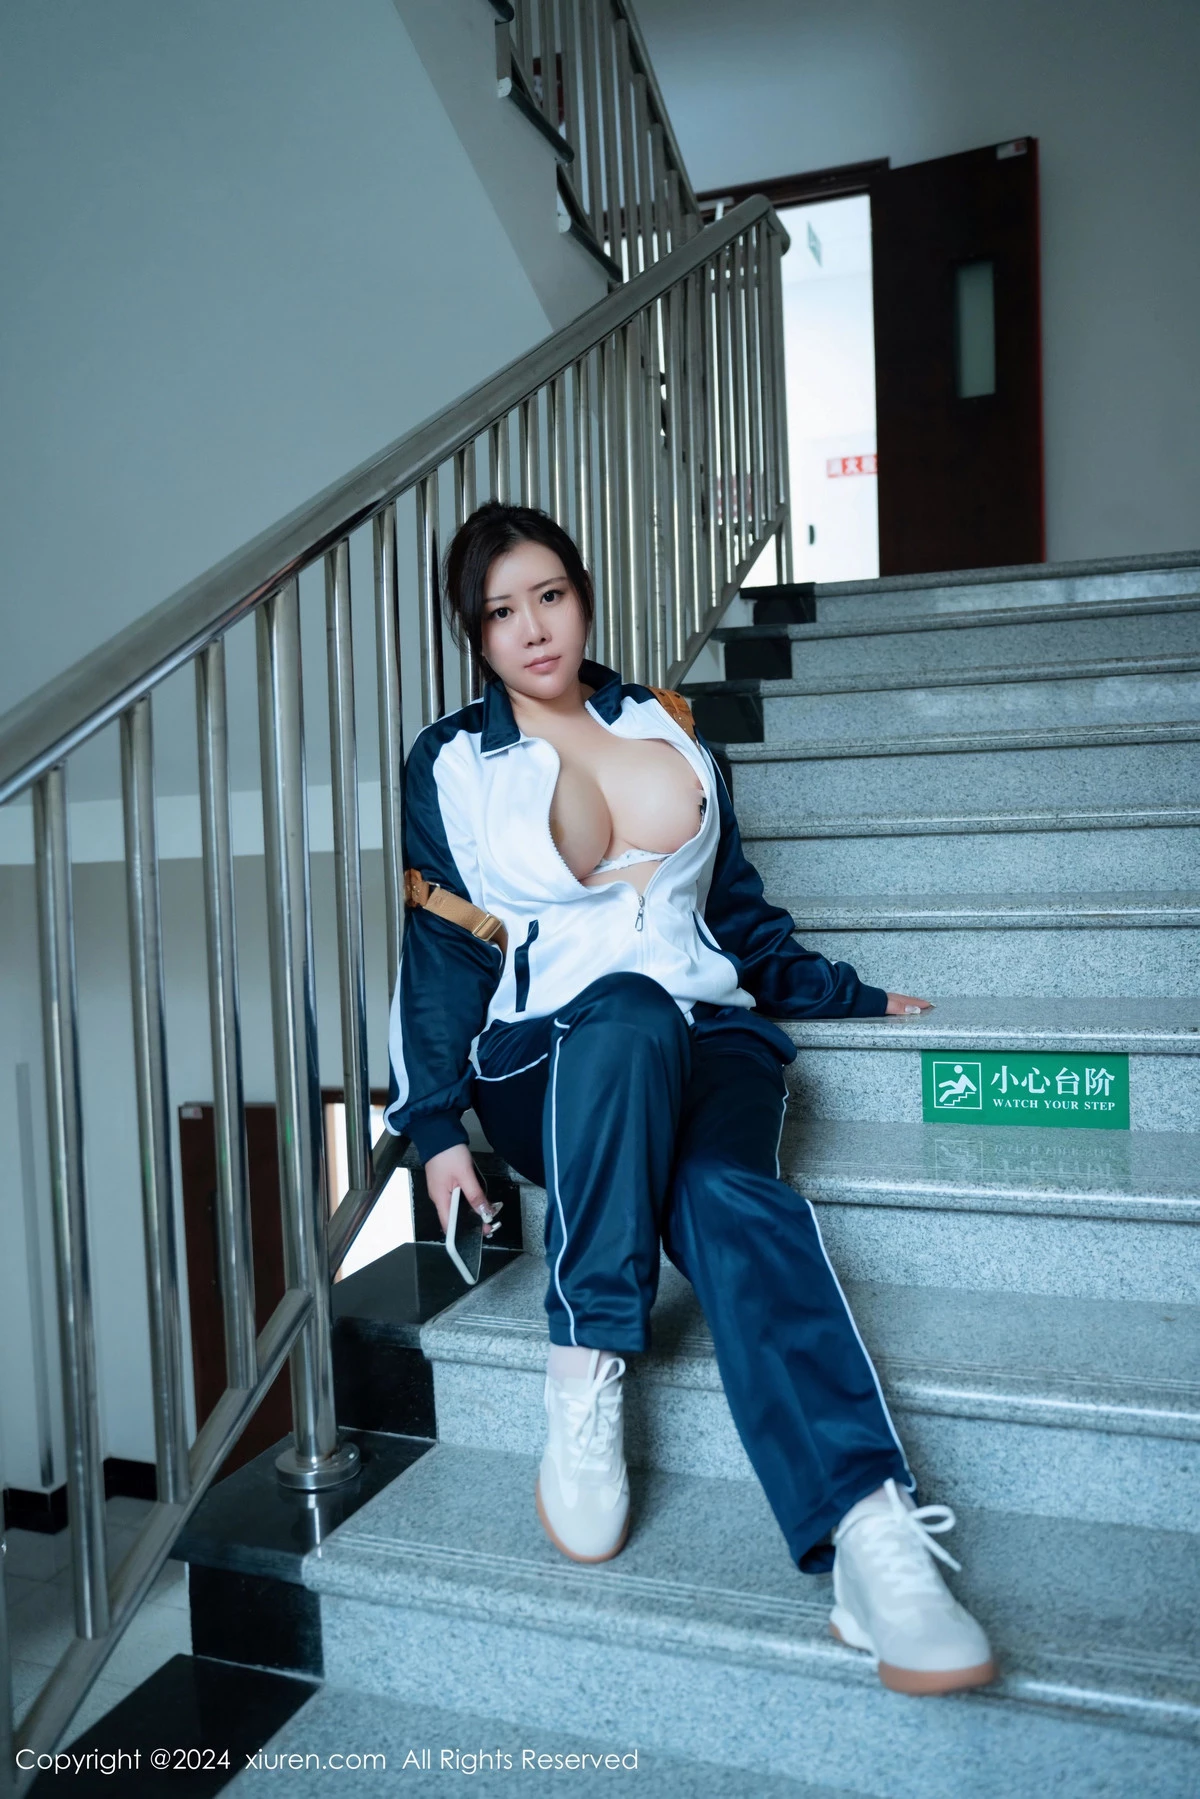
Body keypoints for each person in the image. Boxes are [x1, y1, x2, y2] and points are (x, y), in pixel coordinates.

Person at [383, 502, 995, 1697]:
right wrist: (433, 1122)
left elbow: (737, 914)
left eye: (549, 595)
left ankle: (871, 1536)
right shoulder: (452, 762)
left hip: (710, 1039)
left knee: (725, 1191)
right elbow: (445, 950)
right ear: (476, 634)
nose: (532, 628)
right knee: (622, 1008)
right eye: (501, 612)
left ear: (583, 595)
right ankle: (587, 1360)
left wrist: (848, 993)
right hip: (552, 1058)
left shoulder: (667, 725)